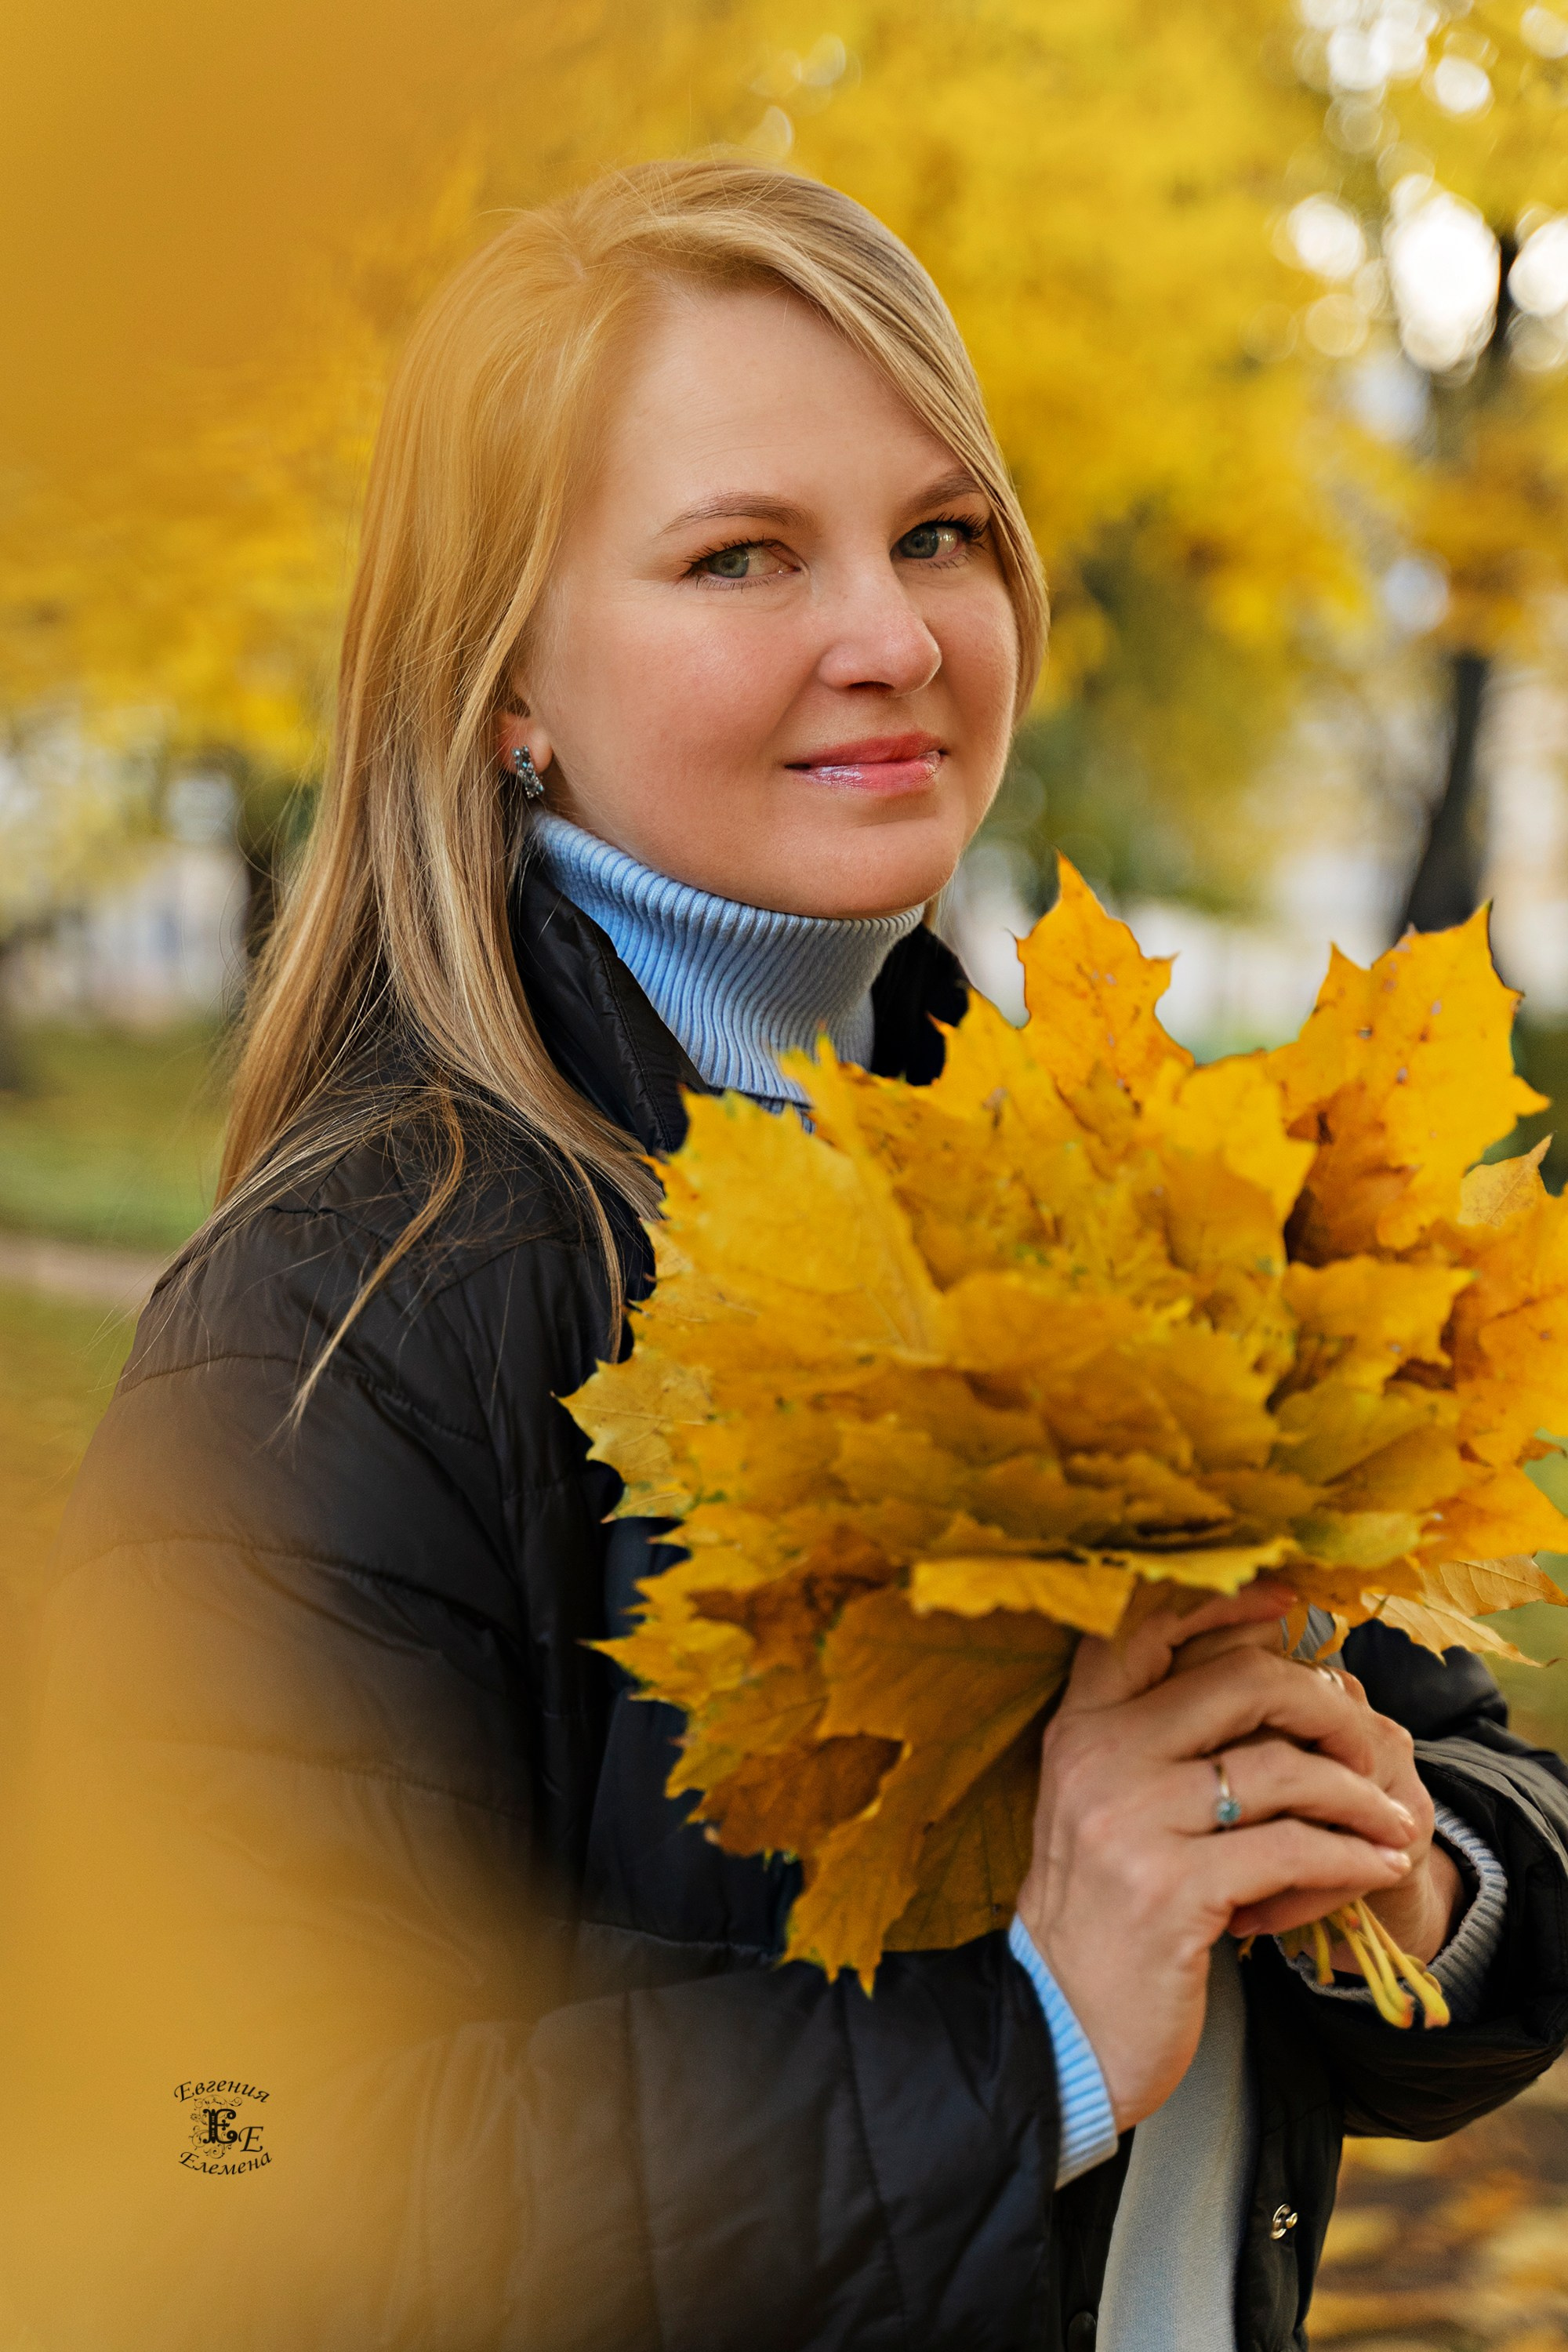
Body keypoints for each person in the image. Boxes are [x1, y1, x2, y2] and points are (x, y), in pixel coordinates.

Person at [15, 158, 1568, 2352]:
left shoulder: (1118, 1201)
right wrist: (1014, 2046)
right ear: (502, 686)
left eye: (940, 532)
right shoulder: (353, 1314)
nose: (898, 635)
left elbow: (1486, 1806)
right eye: (743, 554)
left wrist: (1412, 1877)